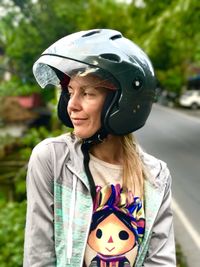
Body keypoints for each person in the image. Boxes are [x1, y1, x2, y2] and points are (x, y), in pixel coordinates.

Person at [23, 29, 176, 267]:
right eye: (70, 92)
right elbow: (39, 257)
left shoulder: (156, 176)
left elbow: (161, 261)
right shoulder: (51, 159)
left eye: (87, 93)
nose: (72, 105)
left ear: (123, 103)